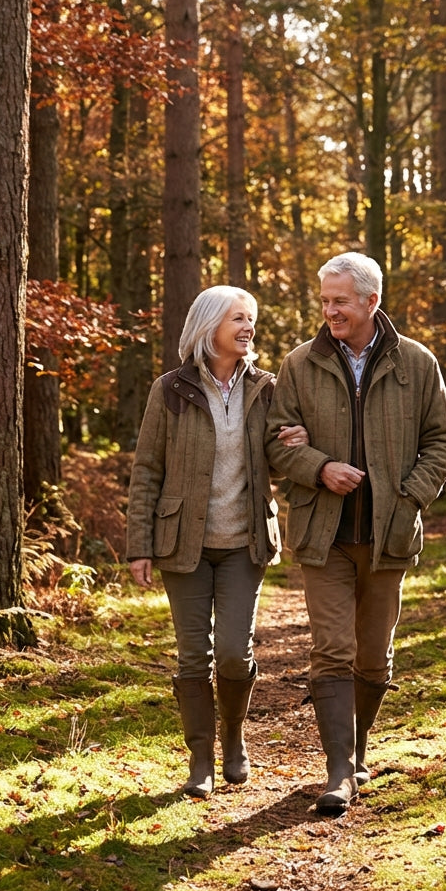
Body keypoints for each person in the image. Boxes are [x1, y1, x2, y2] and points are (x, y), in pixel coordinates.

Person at [265, 252, 446, 815]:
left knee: (373, 657)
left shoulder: (416, 362)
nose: (330, 311)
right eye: (325, 301)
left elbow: (443, 439)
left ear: (372, 301)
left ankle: (357, 750)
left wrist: (408, 496)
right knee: (332, 650)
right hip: (322, 533)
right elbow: (275, 441)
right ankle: (338, 773)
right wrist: (319, 467)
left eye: (341, 301)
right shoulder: (299, 364)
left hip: (387, 535)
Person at [126, 285, 305, 798]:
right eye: (238, 318)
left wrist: (297, 441)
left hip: (245, 542)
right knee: (192, 656)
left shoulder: (267, 388)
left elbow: (279, 457)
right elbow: (147, 469)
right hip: (182, 543)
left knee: (232, 653)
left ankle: (234, 735)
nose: (249, 327)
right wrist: (139, 544)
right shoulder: (170, 390)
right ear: (210, 326)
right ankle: (200, 757)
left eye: (251, 319)